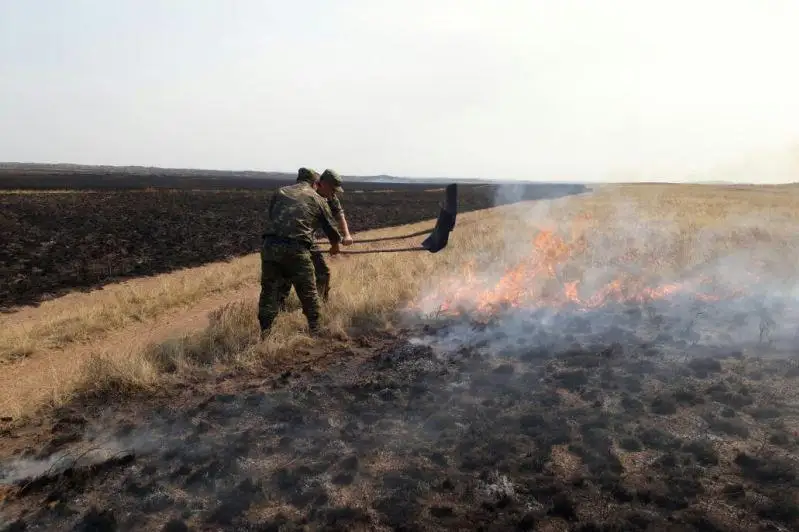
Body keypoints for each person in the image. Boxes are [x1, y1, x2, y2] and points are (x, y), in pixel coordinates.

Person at [258, 167, 342, 337]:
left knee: (269, 290)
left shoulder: (280, 192)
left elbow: (273, 216)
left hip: (270, 246)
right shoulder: (317, 198)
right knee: (308, 291)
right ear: (315, 183)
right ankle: (315, 330)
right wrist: (335, 246)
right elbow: (331, 228)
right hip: (296, 249)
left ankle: (266, 333)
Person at [312, 169, 353, 300]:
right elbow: (328, 224)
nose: (334, 193)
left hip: (308, 237)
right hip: (299, 237)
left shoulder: (330, 197)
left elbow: (339, 215)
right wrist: (335, 244)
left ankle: (321, 301)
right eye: (333, 189)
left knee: (323, 273)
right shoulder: (309, 194)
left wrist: (347, 235)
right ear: (323, 184)